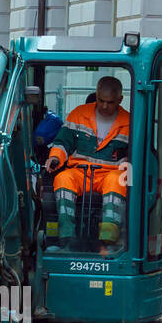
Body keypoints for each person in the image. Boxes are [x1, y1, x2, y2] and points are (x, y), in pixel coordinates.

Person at [43, 76, 131, 244]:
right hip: (80, 172)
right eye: (100, 100)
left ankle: (108, 240)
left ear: (120, 99)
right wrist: (55, 157)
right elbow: (62, 143)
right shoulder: (79, 114)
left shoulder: (129, 122)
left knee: (117, 182)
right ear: (96, 95)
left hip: (111, 173)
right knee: (63, 179)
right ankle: (66, 237)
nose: (104, 106)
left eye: (110, 102)